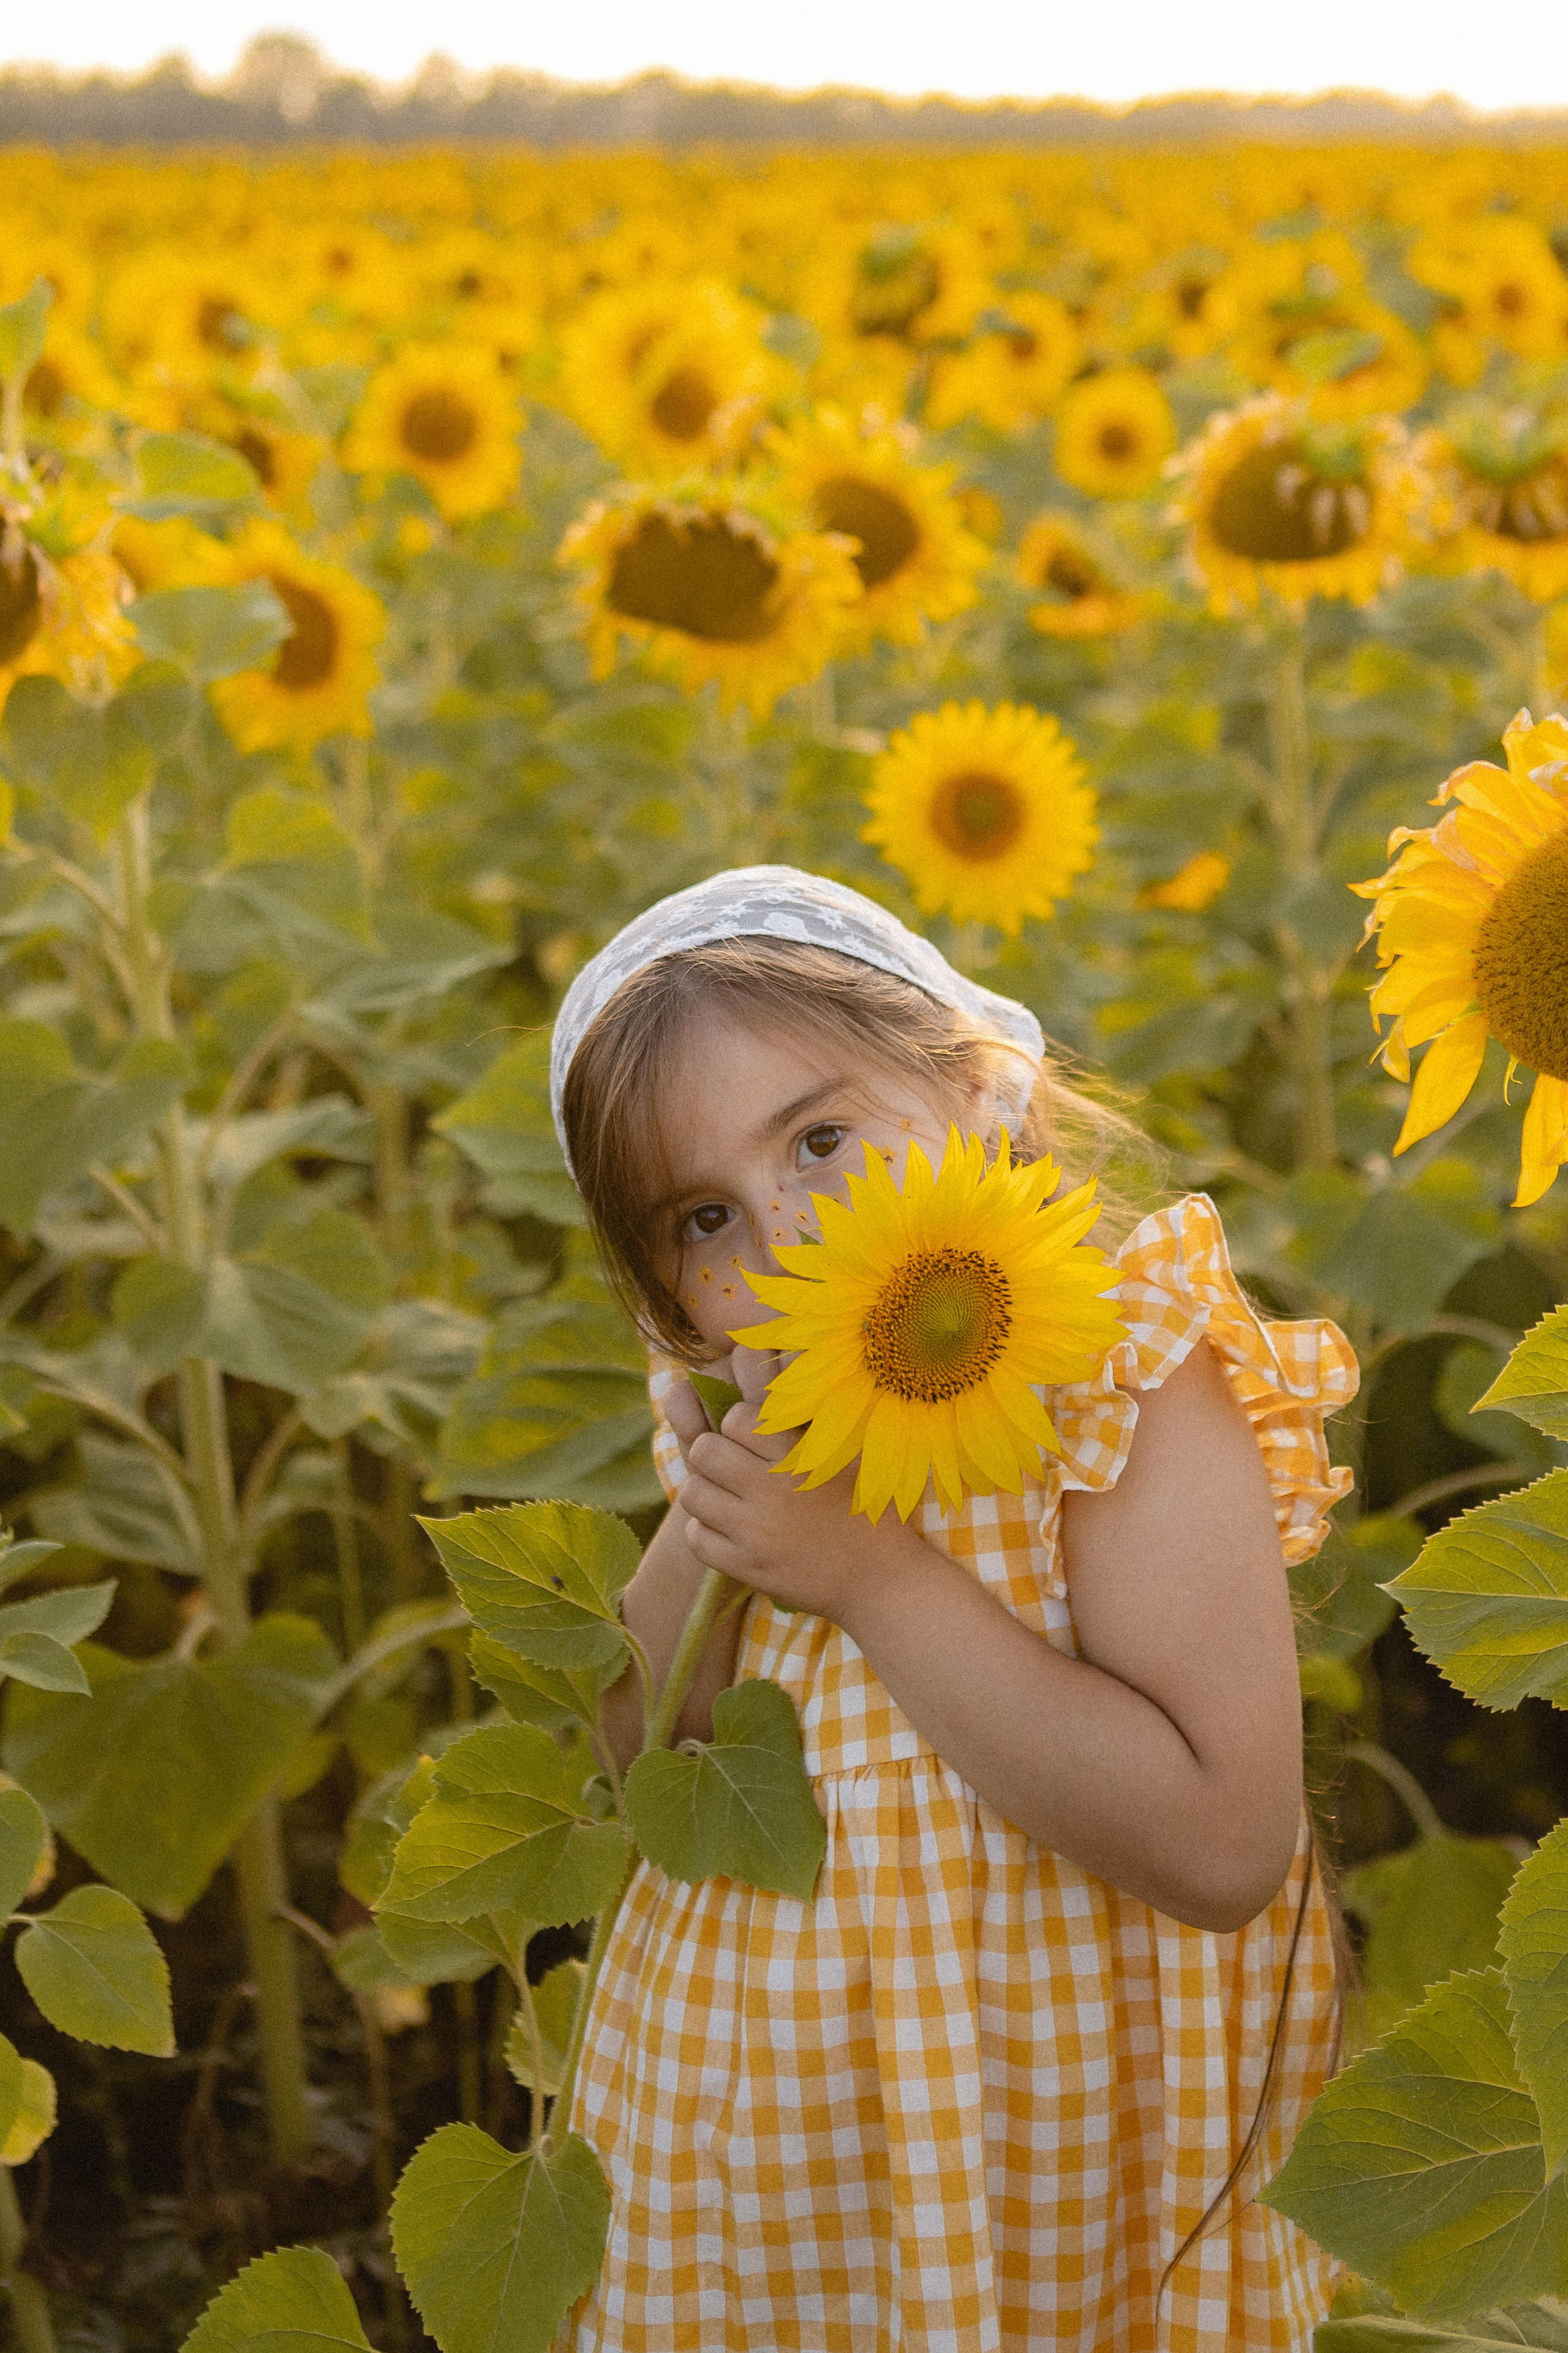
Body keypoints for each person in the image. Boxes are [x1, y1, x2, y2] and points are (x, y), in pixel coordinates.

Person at [548, 865, 1356, 2353]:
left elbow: (1221, 1844)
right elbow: (640, 1750)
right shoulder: (755, 1430)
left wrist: (872, 1576)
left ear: (981, 1092)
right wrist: (731, 1499)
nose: (787, 1235)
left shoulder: (1118, 1373)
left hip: (1058, 2135)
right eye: (706, 1216)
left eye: (822, 1140)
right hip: (774, 2162)